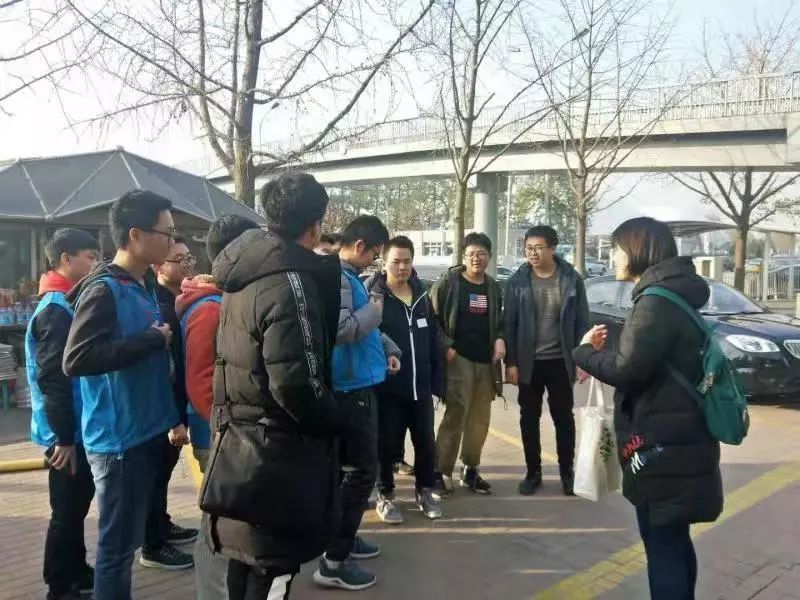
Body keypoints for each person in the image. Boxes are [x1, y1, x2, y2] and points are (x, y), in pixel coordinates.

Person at [204, 173, 341, 600]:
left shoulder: (244, 273)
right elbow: (296, 383)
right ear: (315, 225)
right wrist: (336, 420)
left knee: (245, 563)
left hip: (242, 443)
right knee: (272, 569)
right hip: (276, 453)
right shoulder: (290, 280)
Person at [573, 217, 723, 600]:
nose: (613, 256)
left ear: (638, 250)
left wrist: (585, 352)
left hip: (661, 442)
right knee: (673, 539)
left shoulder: (655, 302)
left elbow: (628, 371)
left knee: (662, 545)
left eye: (617, 249)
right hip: (681, 435)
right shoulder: (673, 295)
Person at [63, 190, 182, 600]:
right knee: (115, 549)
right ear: (136, 235)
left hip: (144, 429)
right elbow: (76, 359)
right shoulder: (104, 290)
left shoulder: (142, 283)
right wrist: (150, 340)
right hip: (118, 441)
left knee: (125, 542)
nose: (172, 241)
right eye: (166, 233)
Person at [313, 215, 401, 592]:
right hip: (350, 388)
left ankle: (342, 542)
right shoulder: (338, 278)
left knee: (350, 472)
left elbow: (366, 330)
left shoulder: (348, 277)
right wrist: (375, 309)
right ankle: (334, 559)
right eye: (375, 254)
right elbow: (344, 329)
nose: (375, 262)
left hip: (358, 381)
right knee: (360, 472)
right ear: (360, 246)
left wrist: (389, 349)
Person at [177, 214, 259, 600]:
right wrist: (228, 430)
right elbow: (200, 382)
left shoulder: (223, 300)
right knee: (218, 523)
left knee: (230, 519)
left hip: (228, 432)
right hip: (219, 436)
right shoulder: (210, 309)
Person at [26, 228, 99, 600]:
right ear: (66, 259)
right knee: (67, 510)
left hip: (72, 427)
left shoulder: (64, 301)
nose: (95, 264)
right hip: (65, 433)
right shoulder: (56, 308)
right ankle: (59, 585)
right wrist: (65, 439)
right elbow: (54, 379)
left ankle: (77, 571)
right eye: (90, 257)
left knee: (75, 507)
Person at [503, 225, 590, 496]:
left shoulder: (571, 279)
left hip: (561, 361)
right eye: (528, 248)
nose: (533, 253)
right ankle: (533, 473)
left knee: (563, 418)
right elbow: (509, 325)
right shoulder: (517, 281)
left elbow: (582, 322)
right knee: (529, 418)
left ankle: (567, 473)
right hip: (529, 362)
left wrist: (583, 359)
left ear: (553, 248)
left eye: (538, 248)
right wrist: (511, 362)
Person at [366, 236, 443, 525]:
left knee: (425, 442)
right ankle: (385, 494)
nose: (402, 267)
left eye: (407, 261)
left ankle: (425, 491)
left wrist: (437, 379)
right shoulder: (374, 297)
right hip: (388, 387)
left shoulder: (422, 295)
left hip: (420, 387)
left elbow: (432, 337)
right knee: (385, 444)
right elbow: (368, 337)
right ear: (384, 263)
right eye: (396, 262)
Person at [430, 232, 505, 497]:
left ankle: (471, 469)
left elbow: (499, 322)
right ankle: (440, 472)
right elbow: (431, 317)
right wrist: (446, 346)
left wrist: (500, 339)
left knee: (480, 419)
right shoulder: (449, 283)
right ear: (464, 256)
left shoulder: (493, 287)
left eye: (481, 254)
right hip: (458, 358)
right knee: (456, 414)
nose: (476, 258)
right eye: (471, 254)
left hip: (486, 362)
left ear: (489, 257)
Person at [139, 235, 197, 571]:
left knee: (164, 472)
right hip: (164, 406)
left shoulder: (180, 298)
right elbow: (164, 366)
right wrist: (172, 418)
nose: (188, 265)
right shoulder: (158, 305)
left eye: (190, 259)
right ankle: (152, 544)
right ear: (159, 266)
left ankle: (161, 524)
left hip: (177, 401)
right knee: (154, 475)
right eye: (180, 260)